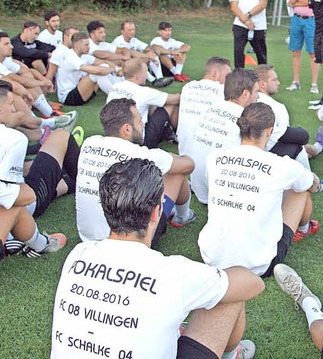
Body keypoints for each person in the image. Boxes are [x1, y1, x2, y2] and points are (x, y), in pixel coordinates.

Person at [52, 158, 263, 359]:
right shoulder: (172, 272)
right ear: (156, 212)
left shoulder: (77, 255)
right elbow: (254, 285)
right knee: (230, 294)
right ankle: (231, 355)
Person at [199, 102, 322, 278]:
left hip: (212, 259)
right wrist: (315, 181)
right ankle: (303, 229)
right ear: (269, 131)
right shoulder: (282, 165)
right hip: (258, 266)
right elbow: (310, 184)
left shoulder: (214, 158)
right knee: (300, 190)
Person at [76, 98, 196, 246]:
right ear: (127, 128)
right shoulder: (142, 154)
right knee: (177, 171)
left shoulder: (89, 143)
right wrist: (169, 158)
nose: (143, 124)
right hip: (129, 241)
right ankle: (183, 216)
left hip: (87, 237)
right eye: (139, 120)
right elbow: (188, 165)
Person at [0, 80, 80, 221]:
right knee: (61, 136)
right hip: (23, 207)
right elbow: (22, 196)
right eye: (11, 103)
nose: (14, 109)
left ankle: (68, 180)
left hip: (14, 201)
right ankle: (87, 183)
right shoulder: (14, 139)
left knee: (43, 170)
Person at [188, 68, 259, 204]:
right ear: (245, 94)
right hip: (225, 196)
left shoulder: (210, 109)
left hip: (200, 190)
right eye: (256, 92)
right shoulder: (245, 118)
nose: (258, 97)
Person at [107, 58, 181, 148]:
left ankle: (166, 132)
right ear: (138, 76)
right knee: (171, 106)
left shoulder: (116, 86)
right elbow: (175, 99)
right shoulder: (143, 92)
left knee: (152, 103)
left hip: (116, 136)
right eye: (146, 72)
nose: (146, 75)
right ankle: (179, 136)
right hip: (139, 141)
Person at [177, 56, 232, 155]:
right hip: (208, 151)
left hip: (184, 150)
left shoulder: (187, 87)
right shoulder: (222, 90)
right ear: (215, 74)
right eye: (227, 76)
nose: (229, 80)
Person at [56, 32, 121, 106]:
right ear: (77, 46)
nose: (89, 47)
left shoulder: (84, 55)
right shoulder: (71, 57)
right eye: (86, 45)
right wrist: (114, 70)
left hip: (81, 91)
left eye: (89, 44)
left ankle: (119, 92)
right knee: (97, 73)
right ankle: (117, 98)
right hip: (69, 97)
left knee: (104, 66)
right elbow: (98, 71)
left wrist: (117, 69)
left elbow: (104, 62)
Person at [285, 0, 319, 93]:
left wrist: (297, 3)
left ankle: (314, 84)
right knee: (295, 51)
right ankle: (296, 81)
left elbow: (311, 2)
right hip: (297, 19)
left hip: (311, 20)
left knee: (312, 53)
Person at [229, 0, 270, 69]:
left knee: (261, 54)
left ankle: (264, 77)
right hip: (240, 24)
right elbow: (234, 6)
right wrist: (246, 20)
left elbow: (262, 4)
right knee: (238, 51)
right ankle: (239, 76)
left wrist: (248, 15)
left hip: (258, 25)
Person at [112, 21, 174, 88]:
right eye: (129, 30)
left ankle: (160, 78)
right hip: (119, 67)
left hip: (130, 63)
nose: (132, 32)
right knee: (137, 61)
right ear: (122, 31)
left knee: (152, 54)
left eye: (133, 29)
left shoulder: (134, 40)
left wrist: (153, 52)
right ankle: (153, 81)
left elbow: (147, 47)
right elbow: (130, 53)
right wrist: (148, 56)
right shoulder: (119, 42)